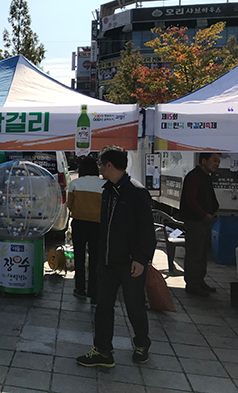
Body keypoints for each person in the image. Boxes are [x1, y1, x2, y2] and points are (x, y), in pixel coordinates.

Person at [77, 146, 156, 367]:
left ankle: (142, 344)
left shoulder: (136, 193)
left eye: (101, 164)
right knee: (103, 307)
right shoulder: (108, 191)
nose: (100, 168)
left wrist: (141, 259)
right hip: (108, 262)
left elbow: (147, 232)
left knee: (134, 306)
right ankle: (103, 351)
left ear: (109, 165)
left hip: (131, 264)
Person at [179, 153, 220, 297]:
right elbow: (190, 200)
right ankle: (192, 284)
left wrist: (212, 212)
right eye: (214, 160)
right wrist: (203, 214)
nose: (217, 164)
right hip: (195, 221)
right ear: (204, 161)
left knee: (202, 253)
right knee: (195, 253)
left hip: (204, 221)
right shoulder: (195, 176)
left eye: (218, 161)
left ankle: (199, 280)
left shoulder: (205, 177)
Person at [67, 156, 105, 302]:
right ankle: (94, 292)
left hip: (79, 224)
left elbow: (69, 205)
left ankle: (80, 289)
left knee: (79, 257)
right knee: (95, 258)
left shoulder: (75, 183)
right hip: (98, 226)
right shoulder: (104, 184)